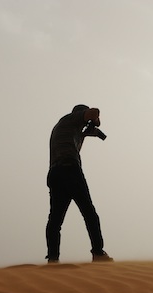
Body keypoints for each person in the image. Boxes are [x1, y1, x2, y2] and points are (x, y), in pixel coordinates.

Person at [45, 104, 113, 263]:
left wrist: (86, 133)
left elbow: (76, 141)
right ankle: (98, 253)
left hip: (55, 173)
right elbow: (94, 112)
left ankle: (53, 259)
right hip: (70, 169)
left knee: (55, 220)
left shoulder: (68, 129)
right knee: (89, 212)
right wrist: (94, 121)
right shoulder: (70, 119)